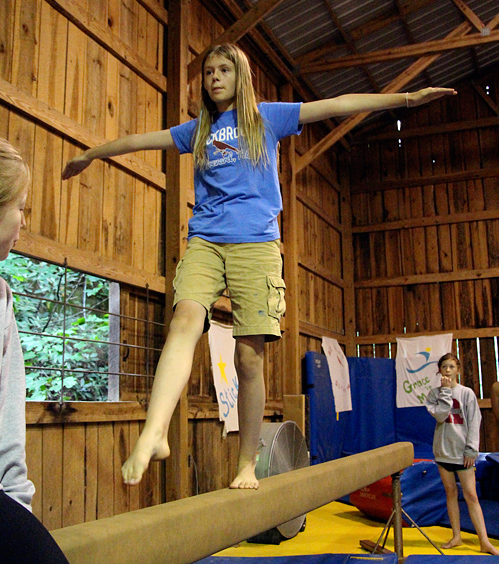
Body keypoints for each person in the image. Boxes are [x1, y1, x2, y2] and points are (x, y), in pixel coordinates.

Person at [63, 43, 456, 490]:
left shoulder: (267, 117)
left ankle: (246, 463)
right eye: (208, 71)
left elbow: (337, 104)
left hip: (257, 245)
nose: (214, 77)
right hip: (206, 240)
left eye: (224, 69)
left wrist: (406, 100)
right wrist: (92, 154)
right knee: (185, 319)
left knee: (249, 358)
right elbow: (139, 140)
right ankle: (154, 433)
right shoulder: (198, 131)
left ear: (240, 75)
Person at [0, 138, 70, 563]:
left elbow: (7, 436)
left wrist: (18, 518)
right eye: (21, 207)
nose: (24, 222)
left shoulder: (2, 301)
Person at [426, 352, 499, 554]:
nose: (447, 370)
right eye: (444, 367)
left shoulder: (466, 393)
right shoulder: (434, 394)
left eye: (451, 366)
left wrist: (471, 450)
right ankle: (456, 536)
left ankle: (484, 541)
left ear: (458, 370)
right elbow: (441, 416)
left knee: (471, 496)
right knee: (450, 493)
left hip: (462, 453)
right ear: (439, 371)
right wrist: (446, 392)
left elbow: (475, 422)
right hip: (443, 453)